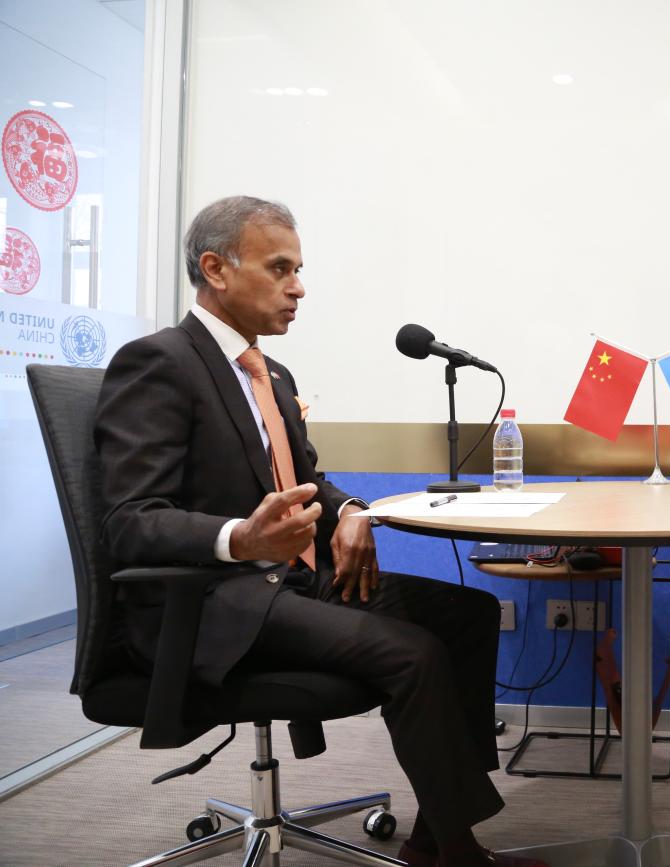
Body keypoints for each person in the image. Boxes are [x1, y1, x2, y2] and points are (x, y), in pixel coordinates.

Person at [94, 195, 538, 867]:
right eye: (279, 268)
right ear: (216, 268)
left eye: (298, 269)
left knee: (470, 614)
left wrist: (354, 508)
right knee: (411, 653)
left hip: (293, 584)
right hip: (216, 603)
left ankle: (433, 833)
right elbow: (129, 522)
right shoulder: (160, 362)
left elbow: (310, 482)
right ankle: (460, 851)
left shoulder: (270, 373)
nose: (298, 287)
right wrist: (240, 537)